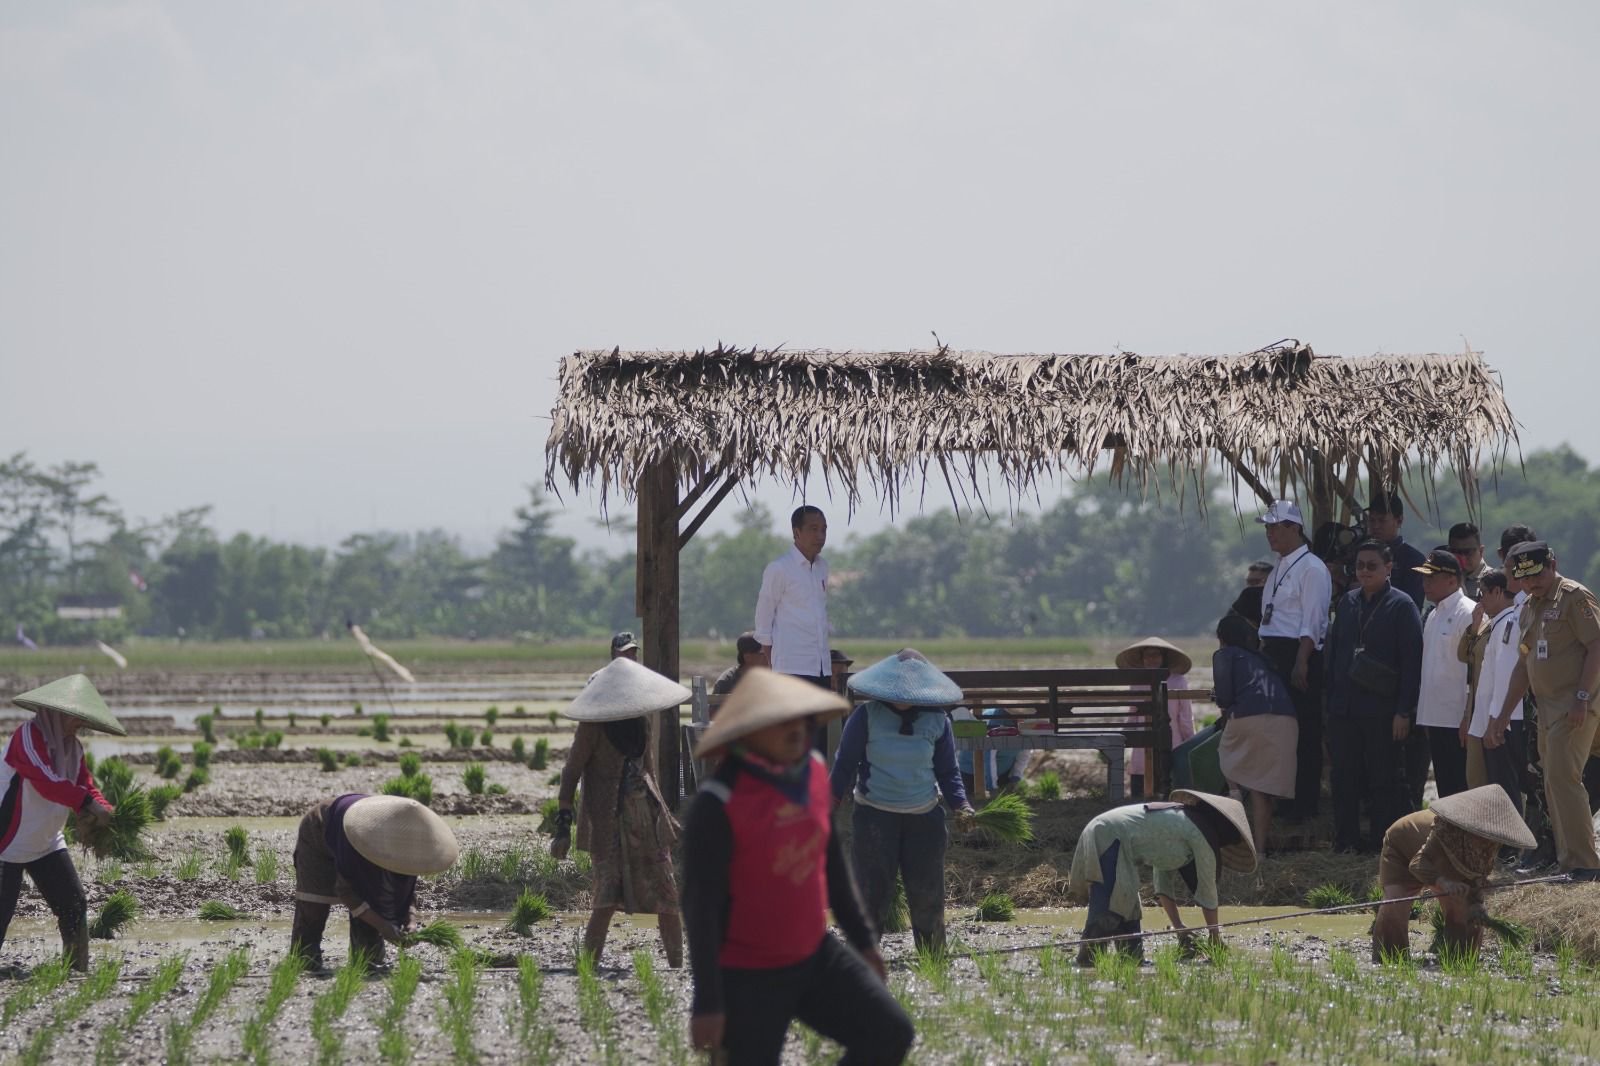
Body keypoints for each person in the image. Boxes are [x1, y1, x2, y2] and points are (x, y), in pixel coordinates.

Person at [682, 668, 913, 1066]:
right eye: (781, 721)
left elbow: (833, 866)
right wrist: (708, 1001)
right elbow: (699, 908)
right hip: (747, 975)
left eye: (802, 720)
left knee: (889, 1034)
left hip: (814, 956)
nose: (797, 730)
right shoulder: (717, 803)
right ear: (748, 732)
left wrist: (863, 941)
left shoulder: (812, 773)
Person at [830, 648, 974, 952]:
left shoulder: (938, 722)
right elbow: (844, 764)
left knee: (927, 896)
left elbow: (948, 771)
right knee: (871, 897)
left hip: (924, 819)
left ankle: (933, 960)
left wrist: (961, 806)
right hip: (874, 817)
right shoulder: (866, 716)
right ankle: (863, 959)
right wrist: (827, 803)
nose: (905, 695)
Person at [554, 657, 690, 964]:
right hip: (608, 823)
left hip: (644, 818)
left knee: (667, 895)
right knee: (605, 896)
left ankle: (676, 964)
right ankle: (588, 967)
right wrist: (563, 822)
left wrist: (664, 817)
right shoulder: (593, 727)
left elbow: (650, 773)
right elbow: (571, 771)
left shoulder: (641, 723)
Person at [1484, 541, 1600, 880]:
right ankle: (1569, 862)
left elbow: (1596, 646)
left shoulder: (1574, 598)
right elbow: (1524, 663)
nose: (1531, 583)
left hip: (1575, 706)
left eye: (1537, 574)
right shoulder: (1530, 607)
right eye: (1524, 578)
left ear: (1552, 564)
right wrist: (1503, 714)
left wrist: (1581, 696)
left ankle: (1587, 865)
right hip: (1547, 710)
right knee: (1552, 785)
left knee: (1564, 780)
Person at [0, 675, 119, 973]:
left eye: (81, 719)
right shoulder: (26, 737)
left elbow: (85, 785)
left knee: (74, 903)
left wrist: (102, 807)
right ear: (55, 711)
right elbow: (46, 781)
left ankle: (76, 970)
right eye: (73, 716)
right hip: (7, 842)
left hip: (46, 841)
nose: (78, 724)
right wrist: (85, 803)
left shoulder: (73, 749)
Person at [1067, 790, 1257, 965]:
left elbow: (1162, 885)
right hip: (1108, 835)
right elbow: (1208, 891)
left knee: (1128, 906)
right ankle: (1085, 963)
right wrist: (1214, 936)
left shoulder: (1176, 825)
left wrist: (1179, 927)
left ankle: (1132, 962)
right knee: (1110, 907)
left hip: (1107, 830)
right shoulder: (1200, 834)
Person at [1324, 541, 1423, 853]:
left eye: (1372, 566)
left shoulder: (1402, 605)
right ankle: (1345, 842)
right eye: (1359, 566)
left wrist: (1403, 711)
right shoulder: (1348, 602)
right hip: (1345, 709)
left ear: (1388, 568)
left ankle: (1383, 845)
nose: (1364, 571)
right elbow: (1334, 651)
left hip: (1383, 710)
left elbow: (1412, 663)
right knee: (1343, 778)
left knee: (1384, 779)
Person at [290, 794, 459, 969]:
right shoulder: (361, 839)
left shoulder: (409, 843)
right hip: (320, 830)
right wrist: (384, 926)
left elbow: (406, 890)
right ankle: (304, 959)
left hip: (370, 833)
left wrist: (411, 922)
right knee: (314, 904)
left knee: (374, 903)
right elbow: (346, 890)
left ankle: (367, 960)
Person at [1371, 785, 1535, 962]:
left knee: (1466, 912)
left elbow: (1475, 878)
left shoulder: (1489, 842)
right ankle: (1390, 961)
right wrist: (1445, 883)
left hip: (1444, 865)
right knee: (1395, 907)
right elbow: (1417, 863)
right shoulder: (1445, 829)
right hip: (1403, 852)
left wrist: (1477, 903)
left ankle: (1460, 962)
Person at [1256, 500, 1332, 821]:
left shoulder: (1312, 567)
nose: (1269, 533)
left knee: (1305, 732)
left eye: (1275, 527)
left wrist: (1302, 660)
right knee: (1282, 733)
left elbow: (1312, 620)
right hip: (1275, 652)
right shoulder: (1280, 566)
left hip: (1299, 653)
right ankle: (1286, 798)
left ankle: (1304, 804)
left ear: (1294, 529)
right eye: (1267, 527)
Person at [1213, 614, 1298, 857]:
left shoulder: (1224, 655)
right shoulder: (1263, 659)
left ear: (1222, 638)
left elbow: (1224, 697)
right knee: (1262, 789)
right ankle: (1259, 853)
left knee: (1226, 756)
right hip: (1286, 722)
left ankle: (1235, 797)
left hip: (1248, 717)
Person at [1412, 549, 1474, 803]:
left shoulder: (1467, 612)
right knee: (1446, 788)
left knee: (1462, 786)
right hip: (1436, 717)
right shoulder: (1434, 615)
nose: (1425, 583)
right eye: (1424, 577)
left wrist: (1468, 715)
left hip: (1457, 717)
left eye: (1432, 577)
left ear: (1452, 580)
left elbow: (1474, 669)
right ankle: (1452, 840)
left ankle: (1467, 841)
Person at [1463, 570, 1525, 814]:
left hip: (1500, 723)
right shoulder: (1498, 624)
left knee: (1505, 790)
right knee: (1497, 788)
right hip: (1493, 720)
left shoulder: (1508, 624)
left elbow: (1504, 680)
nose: (1480, 600)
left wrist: (1495, 723)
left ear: (1497, 592)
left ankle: (1510, 848)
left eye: (1483, 593)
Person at [753, 505, 832, 688]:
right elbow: (763, 623)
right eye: (813, 529)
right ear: (796, 532)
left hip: (822, 668)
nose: (820, 536)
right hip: (790, 668)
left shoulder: (823, 567)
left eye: (824, 529)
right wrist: (775, 665)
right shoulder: (779, 568)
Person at [1115, 637, 1195, 799]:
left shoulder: (1179, 681)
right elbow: (1132, 717)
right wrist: (1121, 736)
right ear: (1142, 659)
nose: (1151, 659)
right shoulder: (1137, 682)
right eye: (1147, 656)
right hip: (1161, 749)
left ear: (1163, 657)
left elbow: (1185, 718)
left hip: (1168, 746)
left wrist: (1190, 741)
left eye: (1156, 655)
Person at [1365, 491, 1427, 611]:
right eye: (1372, 520)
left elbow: (1412, 607)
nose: (1376, 526)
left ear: (1399, 521)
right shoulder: (1360, 554)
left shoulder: (1414, 560)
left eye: (1382, 521)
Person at [1449, 522, 1491, 601]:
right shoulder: (1445, 579)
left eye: (1468, 552)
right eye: (1456, 552)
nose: (1462, 557)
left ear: (1481, 551)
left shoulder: (1492, 581)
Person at [713, 632, 765, 696]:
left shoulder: (769, 677)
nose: (768, 657)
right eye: (762, 653)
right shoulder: (727, 682)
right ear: (747, 656)